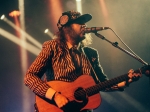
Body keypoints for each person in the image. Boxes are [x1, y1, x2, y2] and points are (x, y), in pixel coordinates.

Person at [24, 10, 142, 112]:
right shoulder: (52, 47)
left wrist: (127, 80)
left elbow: (102, 84)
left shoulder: (91, 54)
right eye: (79, 22)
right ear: (66, 28)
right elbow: (29, 77)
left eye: (84, 22)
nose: (84, 25)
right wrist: (55, 96)